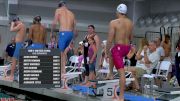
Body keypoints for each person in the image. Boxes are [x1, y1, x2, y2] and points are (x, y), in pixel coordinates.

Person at [105, 4, 133, 101]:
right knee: (113, 51)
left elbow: (109, 39)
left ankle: (121, 97)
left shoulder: (113, 22)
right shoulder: (130, 22)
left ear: (118, 11)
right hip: (127, 47)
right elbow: (130, 38)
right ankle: (111, 73)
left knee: (121, 73)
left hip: (119, 48)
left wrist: (105, 51)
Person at [51, 1, 76, 75]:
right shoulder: (71, 13)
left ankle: (62, 72)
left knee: (60, 53)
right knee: (64, 53)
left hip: (63, 33)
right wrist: (73, 37)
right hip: (70, 34)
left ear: (59, 6)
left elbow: (54, 23)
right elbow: (74, 25)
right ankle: (63, 70)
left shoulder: (58, 10)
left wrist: (52, 32)